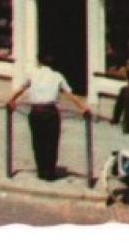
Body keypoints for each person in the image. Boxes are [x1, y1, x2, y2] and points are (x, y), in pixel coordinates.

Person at [7, 52, 91, 181]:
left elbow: (20, 89)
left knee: (38, 141)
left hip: (36, 111)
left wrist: (11, 100)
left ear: (39, 62)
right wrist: (83, 107)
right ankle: (50, 172)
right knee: (51, 142)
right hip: (50, 111)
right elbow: (70, 94)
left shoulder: (32, 74)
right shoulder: (57, 76)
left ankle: (41, 170)